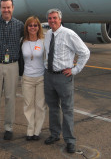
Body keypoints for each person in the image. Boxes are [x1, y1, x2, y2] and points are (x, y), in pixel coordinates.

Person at [43, 9, 90, 153]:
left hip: (64, 77)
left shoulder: (69, 34)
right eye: (50, 18)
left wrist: (75, 70)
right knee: (53, 108)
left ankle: (70, 140)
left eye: (55, 18)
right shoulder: (48, 34)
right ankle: (54, 134)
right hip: (49, 76)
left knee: (67, 109)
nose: (52, 21)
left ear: (60, 19)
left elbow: (85, 52)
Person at [0, 0, 24, 140]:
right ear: (0, 8)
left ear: (13, 8)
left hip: (12, 66)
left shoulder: (19, 25)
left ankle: (9, 128)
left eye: (8, 7)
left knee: (10, 98)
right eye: (3, 7)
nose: (6, 10)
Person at [20, 16, 46, 141]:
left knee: (40, 105)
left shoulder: (43, 41)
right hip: (27, 78)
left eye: (35, 25)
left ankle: (37, 131)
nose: (33, 27)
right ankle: (30, 130)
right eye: (30, 25)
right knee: (28, 105)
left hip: (41, 78)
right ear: (27, 27)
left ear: (39, 27)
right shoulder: (22, 41)